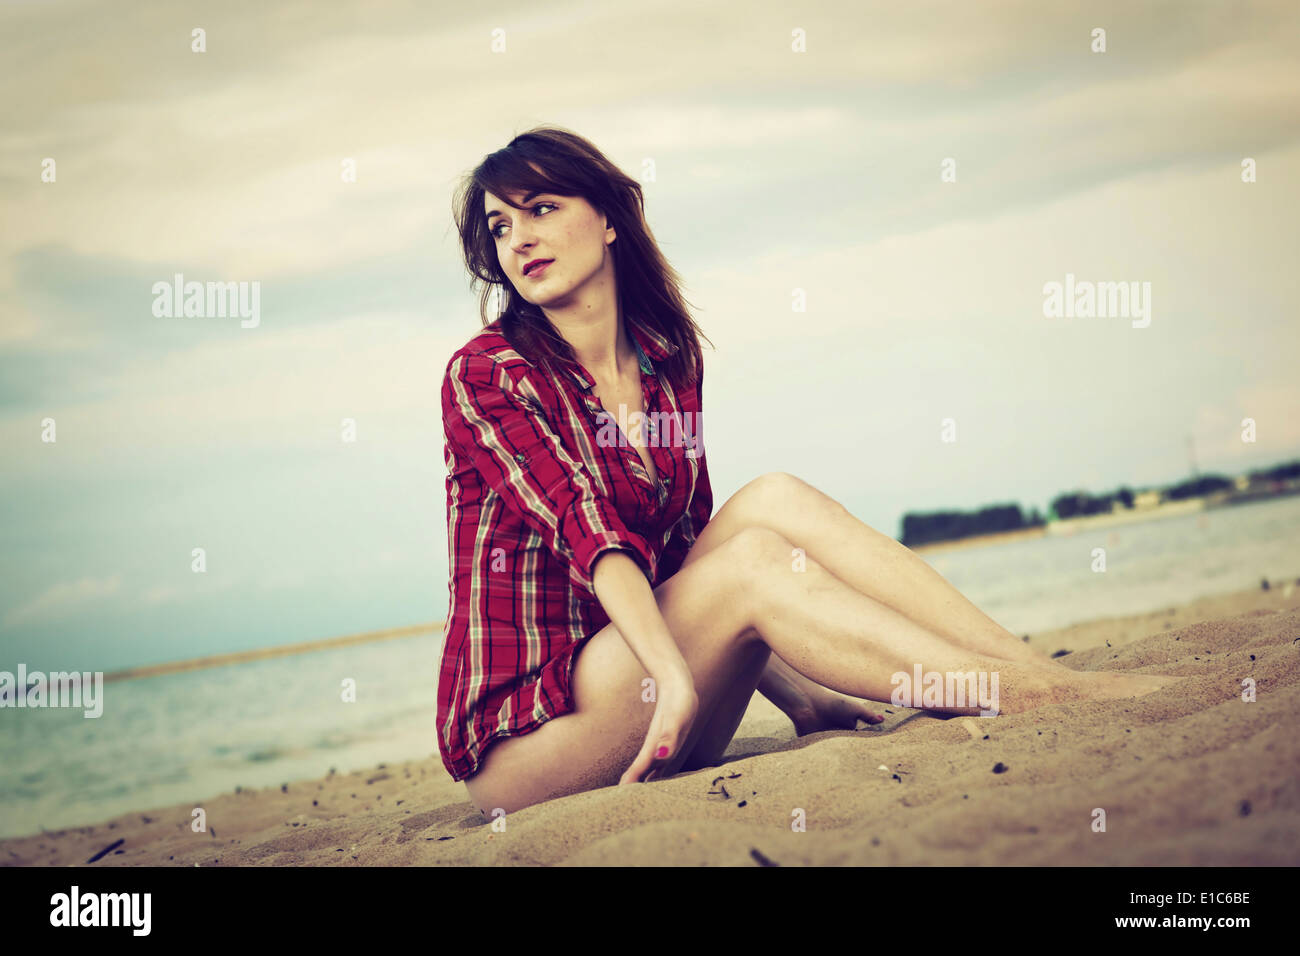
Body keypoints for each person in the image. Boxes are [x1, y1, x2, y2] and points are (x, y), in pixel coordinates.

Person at [439, 126, 1179, 818]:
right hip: (532, 740)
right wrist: (670, 677)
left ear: (608, 220)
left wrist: (800, 700)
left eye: (541, 209)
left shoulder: (665, 360)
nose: (521, 238)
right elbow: (589, 532)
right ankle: (1016, 694)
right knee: (753, 560)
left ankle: (1023, 668)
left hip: (660, 692)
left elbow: (687, 563)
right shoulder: (487, 374)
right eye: (502, 226)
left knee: (773, 501)